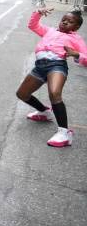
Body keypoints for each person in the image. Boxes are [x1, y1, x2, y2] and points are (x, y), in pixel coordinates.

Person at [15, 8, 87, 147]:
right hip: (40, 66)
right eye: (63, 20)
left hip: (57, 66)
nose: (65, 22)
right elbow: (33, 26)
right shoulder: (50, 31)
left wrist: (76, 54)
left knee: (55, 93)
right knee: (22, 94)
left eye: (70, 22)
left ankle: (64, 133)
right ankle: (45, 112)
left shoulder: (76, 39)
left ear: (76, 27)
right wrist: (38, 13)